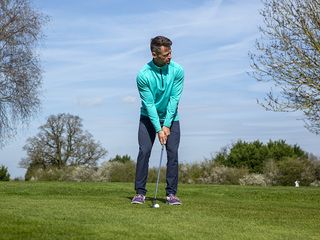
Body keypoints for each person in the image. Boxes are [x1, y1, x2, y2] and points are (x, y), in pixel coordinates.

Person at [131, 36, 184, 205]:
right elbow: (149, 105)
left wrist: (167, 125)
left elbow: (174, 100)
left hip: (171, 117)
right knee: (144, 151)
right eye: (166, 54)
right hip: (148, 117)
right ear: (154, 54)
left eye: (170, 53)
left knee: (173, 153)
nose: (170, 57)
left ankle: (171, 194)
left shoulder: (178, 70)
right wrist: (159, 129)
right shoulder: (143, 75)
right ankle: (140, 192)